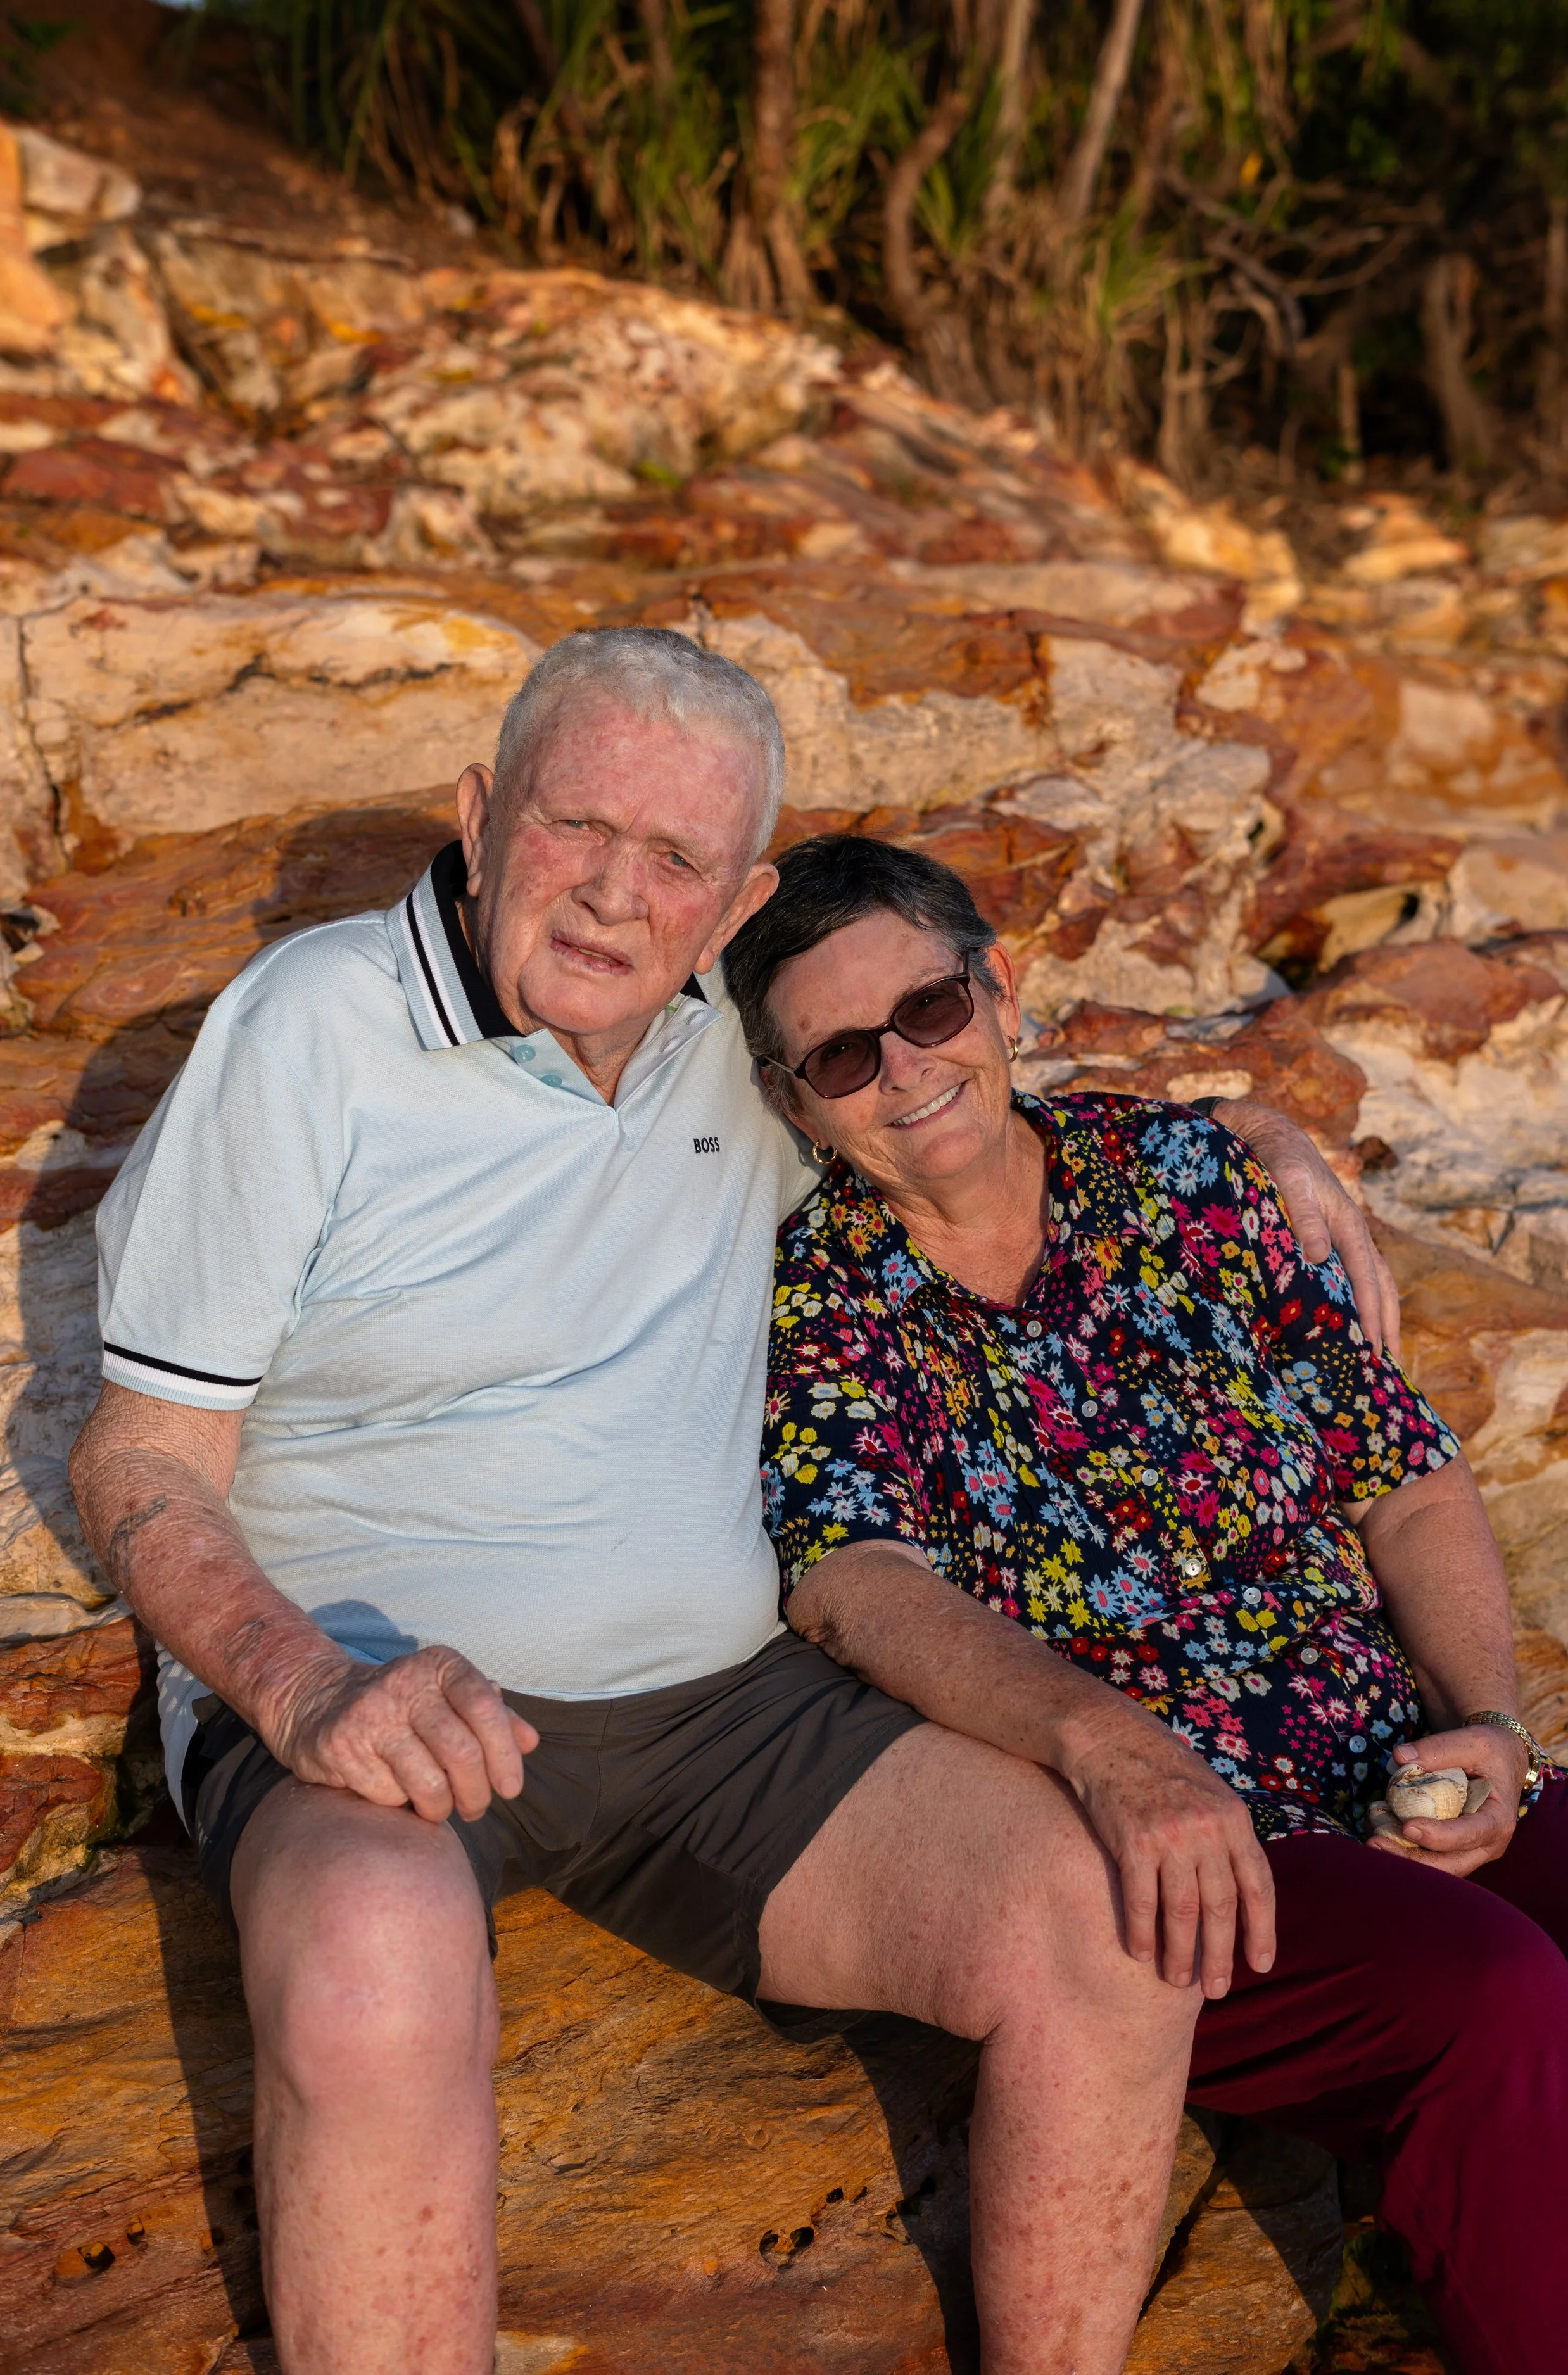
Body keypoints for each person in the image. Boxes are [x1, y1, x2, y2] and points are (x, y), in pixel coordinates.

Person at [71, 628, 1388, 2375]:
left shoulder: (737, 1049)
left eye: (675, 860)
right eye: (574, 828)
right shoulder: (313, 1027)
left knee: (1099, 1915)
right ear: (479, 816)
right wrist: (306, 1687)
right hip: (375, 1689)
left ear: (735, 895)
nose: (615, 896)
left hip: (724, 1712)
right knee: (371, 1958)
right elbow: (138, 1456)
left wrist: (1248, 1134)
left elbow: (944, 1098)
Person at [723, 829, 1568, 2375]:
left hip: (1383, 1750)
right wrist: (1109, 1749)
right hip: (1164, 1843)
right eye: (840, 1057)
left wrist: (1491, 1724)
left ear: (996, 987)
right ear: (794, 1103)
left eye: (924, 1011)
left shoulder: (1185, 1175)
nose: (904, 1071)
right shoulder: (818, 1297)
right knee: (1492, 2000)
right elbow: (852, 1580)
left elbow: (1404, 1478)